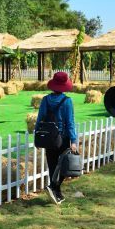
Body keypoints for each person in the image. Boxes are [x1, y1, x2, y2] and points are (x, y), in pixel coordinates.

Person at [36, 71, 78, 204]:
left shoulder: (45, 100)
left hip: (48, 137)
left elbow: (39, 119)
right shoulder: (67, 101)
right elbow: (70, 122)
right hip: (62, 138)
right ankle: (53, 187)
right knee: (66, 166)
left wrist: (37, 137)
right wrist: (73, 140)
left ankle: (56, 191)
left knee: (52, 165)